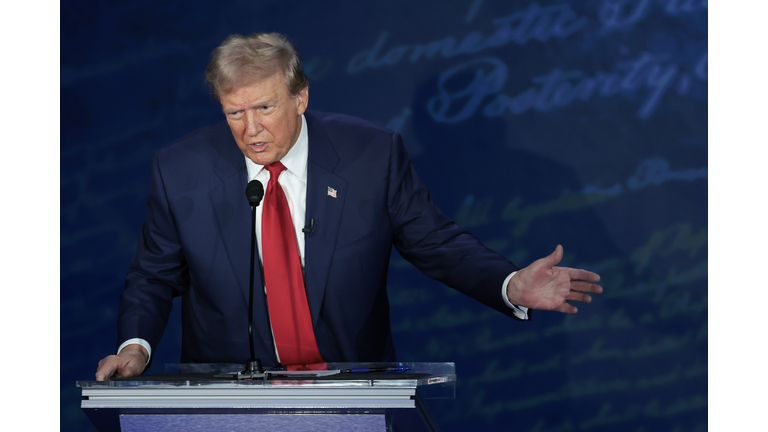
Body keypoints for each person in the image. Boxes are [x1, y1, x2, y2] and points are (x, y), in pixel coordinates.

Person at [95, 33, 602, 381]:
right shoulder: (180, 169)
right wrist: (134, 348)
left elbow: (435, 243)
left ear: (300, 97)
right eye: (235, 112)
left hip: (353, 388)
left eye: (265, 108)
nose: (250, 130)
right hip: (229, 396)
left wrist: (510, 284)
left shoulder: (371, 156)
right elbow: (154, 275)